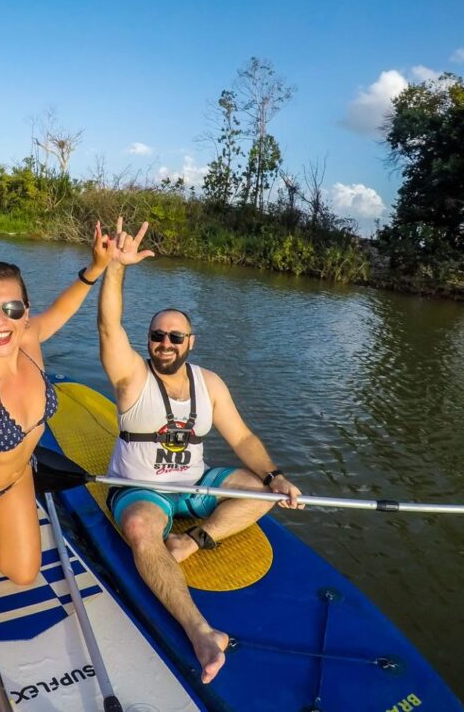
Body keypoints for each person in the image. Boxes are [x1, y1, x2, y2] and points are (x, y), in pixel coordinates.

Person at [97, 219, 303, 684]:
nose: (165, 344)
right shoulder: (131, 376)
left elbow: (243, 439)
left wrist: (276, 478)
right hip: (140, 489)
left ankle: (189, 542)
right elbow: (109, 326)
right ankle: (200, 631)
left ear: (190, 342)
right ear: (148, 341)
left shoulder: (210, 383)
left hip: (193, 486)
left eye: (176, 337)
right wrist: (115, 268)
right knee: (140, 530)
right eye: (158, 336)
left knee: (263, 492)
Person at [0, 223, 112, 603]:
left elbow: (64, 308)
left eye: (12, 309)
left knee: (24, 573)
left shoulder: (28, 338)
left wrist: (96, 267)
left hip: (15, 480)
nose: (1, 323)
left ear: (26, 312)